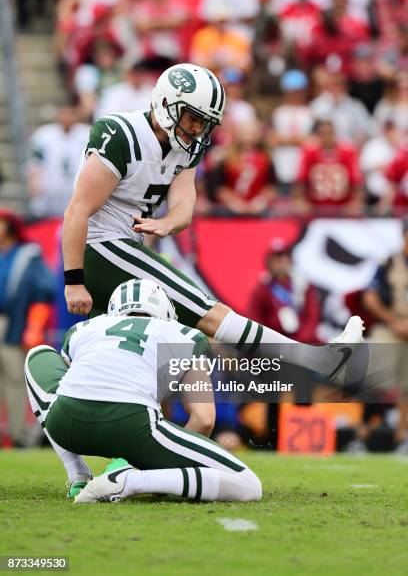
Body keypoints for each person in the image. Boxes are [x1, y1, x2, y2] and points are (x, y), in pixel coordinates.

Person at [62, 62, 364, 389]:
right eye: (193, 117)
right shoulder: (120, 134)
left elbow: (183, 207)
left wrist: (167, 224)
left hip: (123, 245)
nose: (197, 128)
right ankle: (324, 362)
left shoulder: (186, 147)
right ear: (166, 103)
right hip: (99, 245)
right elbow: (77, 211)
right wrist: (73, 279)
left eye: (205, 122)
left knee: (155, 344)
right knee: (208, 312)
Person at [25, 278, 262, 503]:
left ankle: (77, 473)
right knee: (248, 484)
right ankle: (132, 481)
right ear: (165, 311)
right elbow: (204, 418)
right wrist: (163, 473)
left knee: (37, 355)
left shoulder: (83, 329)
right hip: (133, 426)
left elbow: (75, 380)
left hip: (67, 424)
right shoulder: (186, 336)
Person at [0, 209, 55, 446]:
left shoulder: (27, 256)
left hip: (13, 323)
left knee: (14, 379)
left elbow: (44, 291)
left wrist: (34, 326)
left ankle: (19, 434)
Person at [362, 220, 408, 452]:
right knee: (373, 377)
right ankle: (364, 432)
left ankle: (402, 438)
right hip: (391, 326)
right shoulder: (389, 262)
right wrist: (393, 320)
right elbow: (369, 297)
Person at [248, 238, 320, 343]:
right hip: (273, 342)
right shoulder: (262, 287)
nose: (281, 263)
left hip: (301, 340)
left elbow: (312, 315)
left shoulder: (302, 283)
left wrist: (300, 341)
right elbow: (254, 317)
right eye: (276, 259)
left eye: (284, 257)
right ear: (268, 262)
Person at [26, 103, 90, 219]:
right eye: (64, 114)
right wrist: (34, 182)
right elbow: (34, 162)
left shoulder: (87, 134)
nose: (66, 118)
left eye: (70, 114)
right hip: (49, 190)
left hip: (76, 190)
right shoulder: (44, 134)